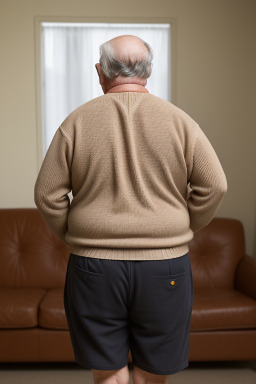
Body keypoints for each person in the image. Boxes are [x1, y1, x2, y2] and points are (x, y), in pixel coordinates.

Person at [34, 35, 228, 384]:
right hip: (165, 266)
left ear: (100, 72)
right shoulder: (180, 121)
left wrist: (78, 235)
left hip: (94, 268)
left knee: (109, 374)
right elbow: (215, 185)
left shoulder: (76, 122)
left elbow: (47, 194)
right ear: (149, 70)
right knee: (152, 374)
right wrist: (180, 227)